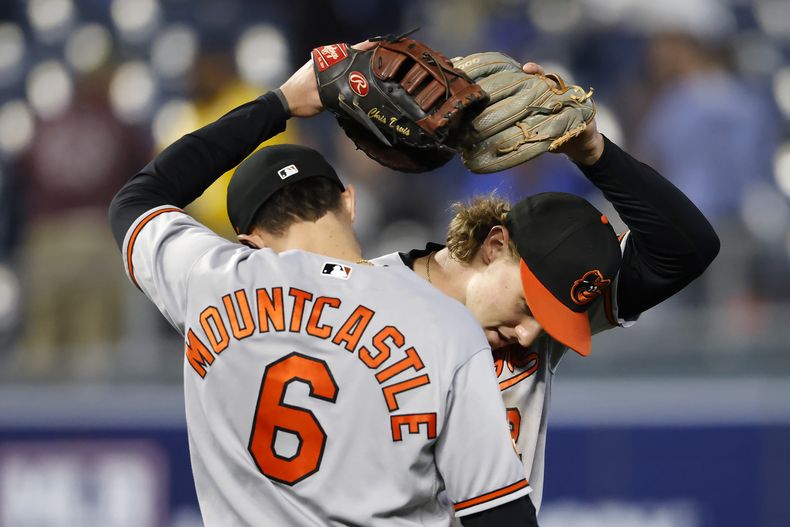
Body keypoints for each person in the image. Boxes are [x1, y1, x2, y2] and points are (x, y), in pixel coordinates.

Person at [108, 44, 539, 526]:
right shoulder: (446, 326)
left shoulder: (210, 281)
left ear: (249, 241)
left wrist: (284, 102)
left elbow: (136, 199)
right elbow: (503, 518)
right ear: (349, 203)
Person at [371, 61, 721, 517]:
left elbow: (688, 248)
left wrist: (595, 153)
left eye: (549, 320)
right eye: (526, 305)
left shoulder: (540, 326)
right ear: (495, 246)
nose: (529, 335)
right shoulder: (365, 296)